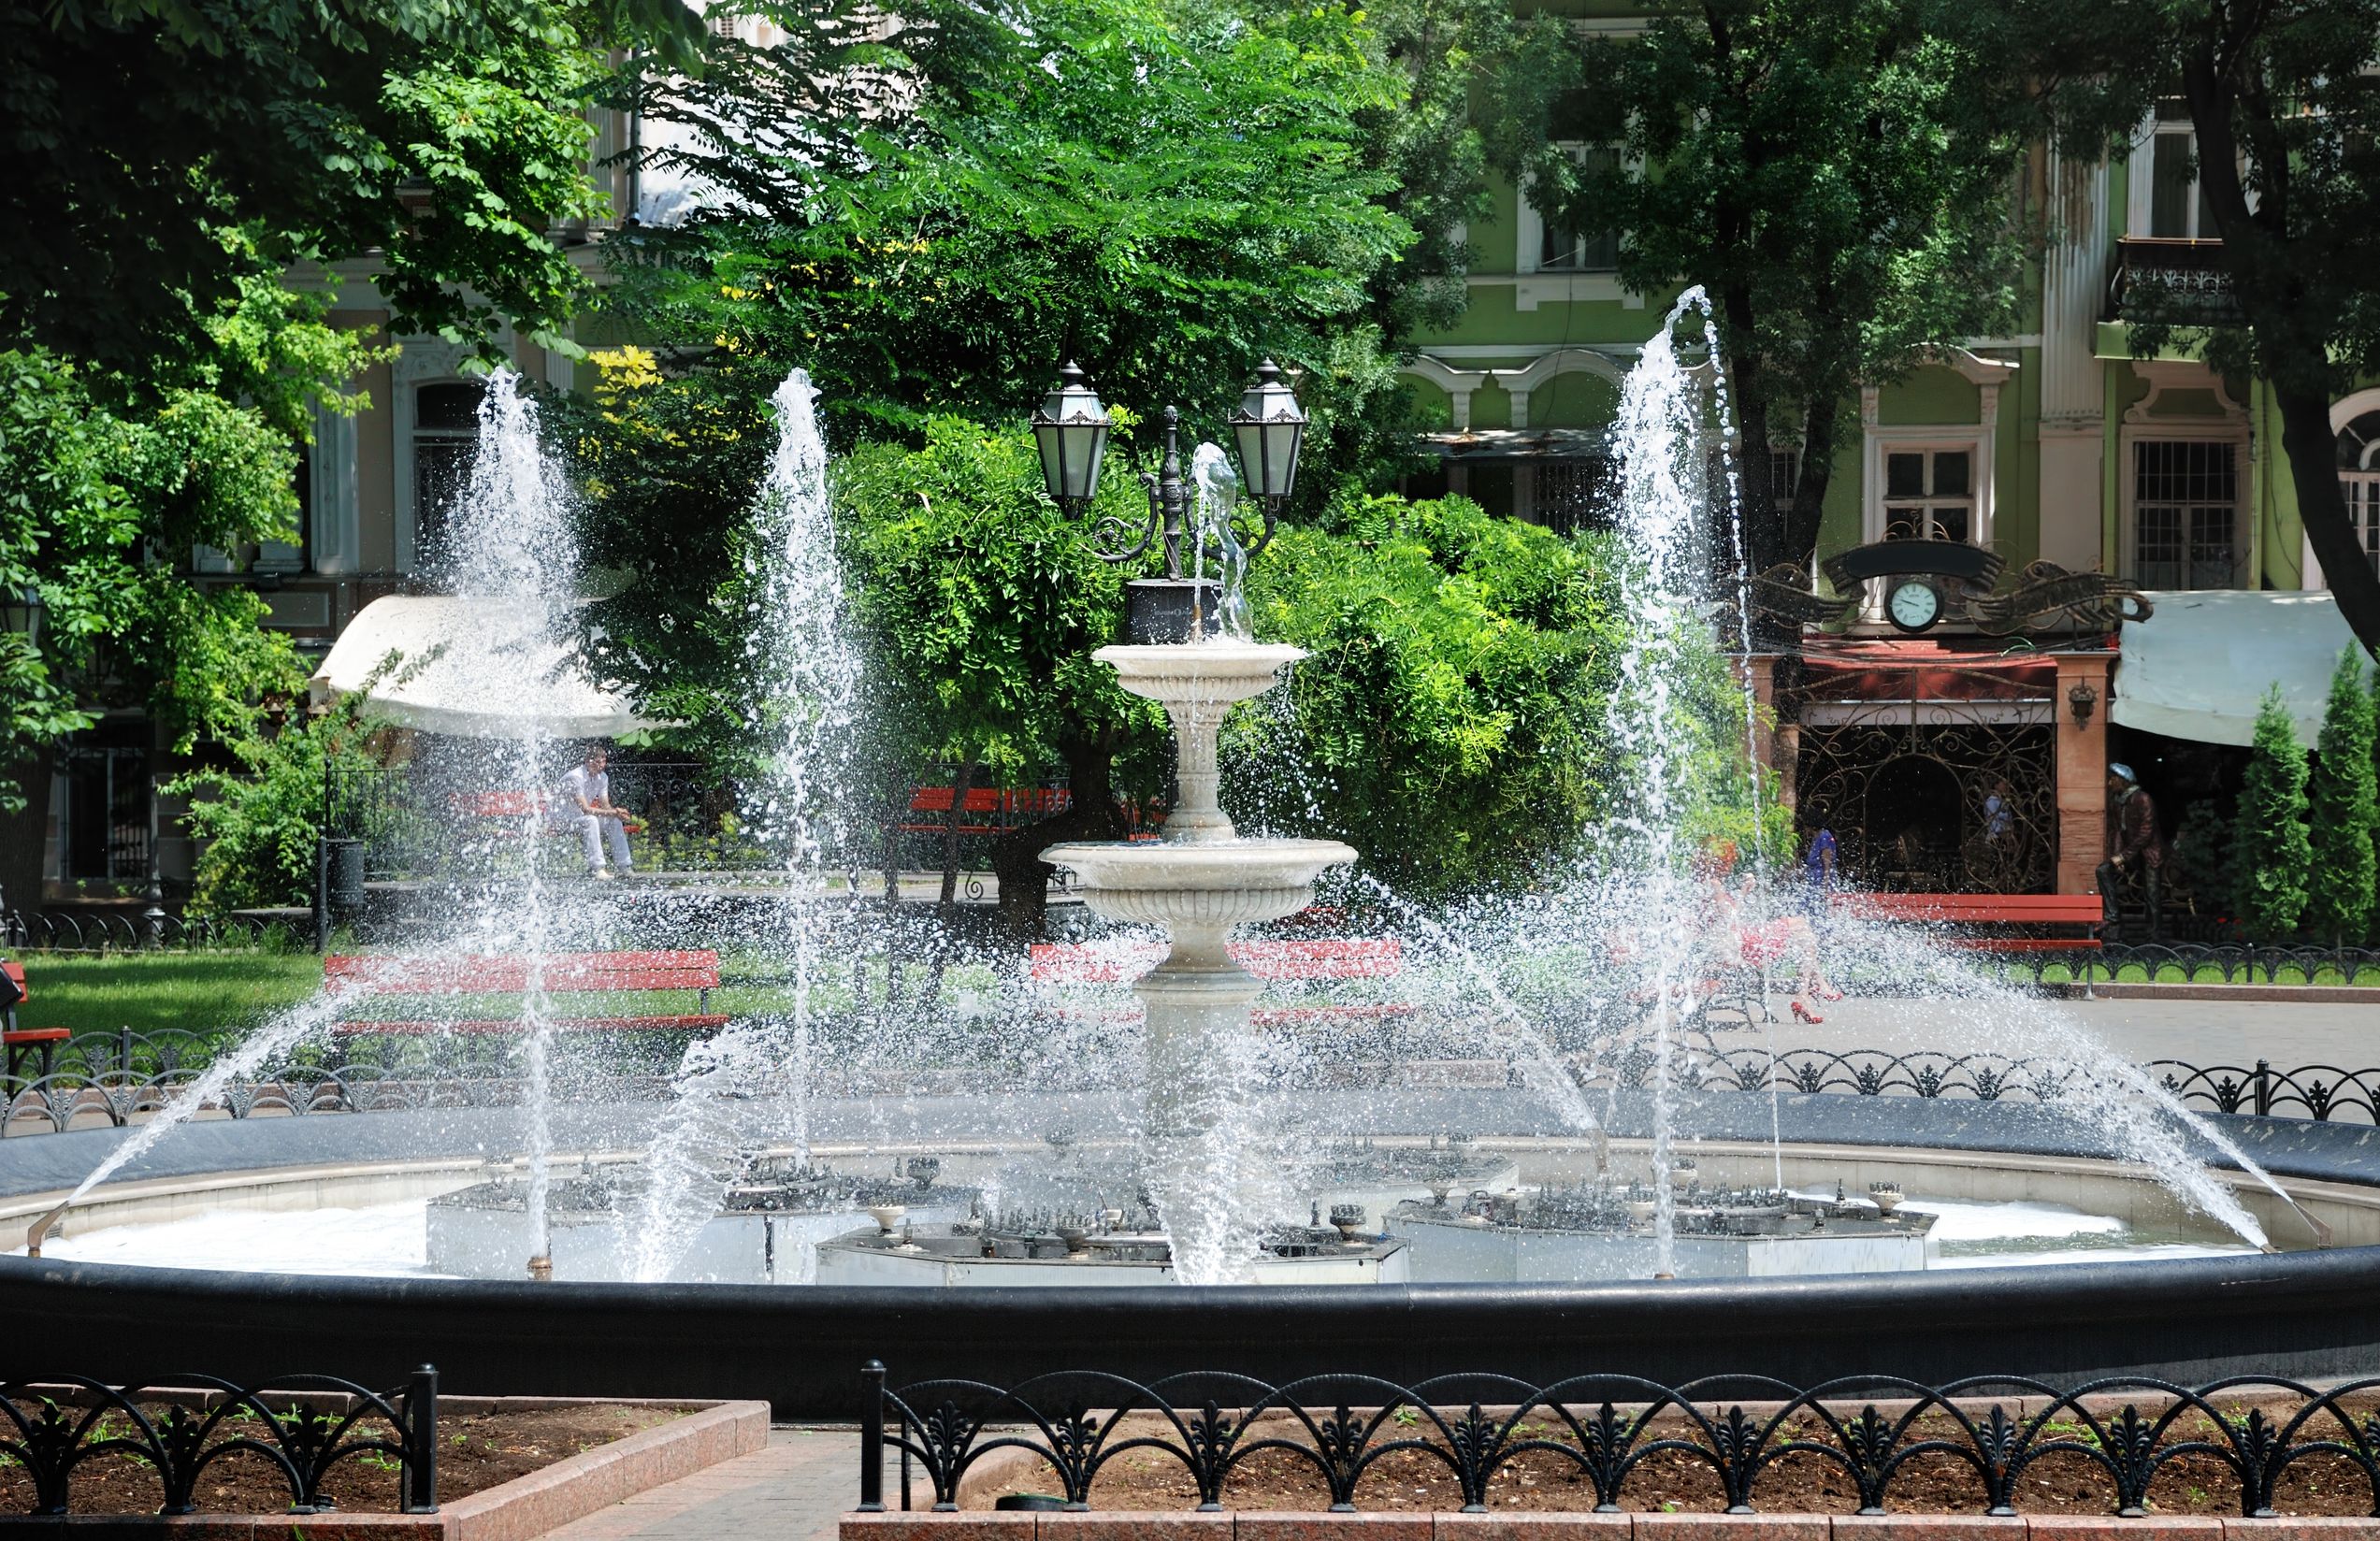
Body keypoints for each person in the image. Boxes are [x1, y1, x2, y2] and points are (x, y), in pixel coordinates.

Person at [2096, 762, 2163, 943]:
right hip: (2130, 853)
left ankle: (2154, 937)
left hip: (2148, 854)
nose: (2109, 783)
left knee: (2152, 894)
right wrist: (2117, 857)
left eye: (2112, 779)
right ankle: (2113, 919)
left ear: (2122, 780)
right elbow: (2117, 831)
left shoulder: (2143, 799)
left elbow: (2146, 834)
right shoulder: (2117, 802)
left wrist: (2124, 855)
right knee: (2103, 870)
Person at [560, 747, 635, 879]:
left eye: (604, 762)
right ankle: (598, 868)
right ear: (588, 762)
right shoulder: (575, 777)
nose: (601, 766)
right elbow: (586, 809)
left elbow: (605, 805)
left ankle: (624, 867)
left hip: (580, 818)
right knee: (591, 820)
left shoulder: (603, 777)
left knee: (614, 821)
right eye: (598, 762)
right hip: (562, 820)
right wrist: (614, 812)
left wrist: (616, 813)